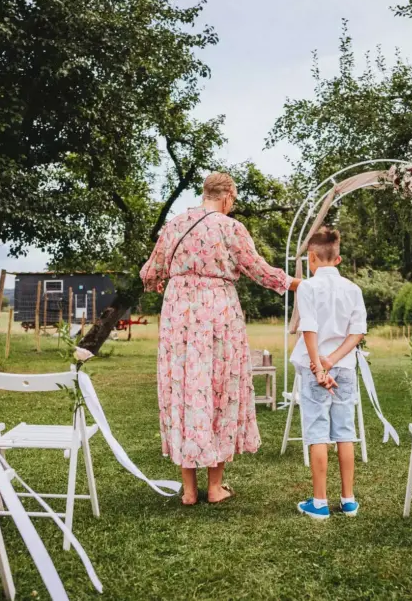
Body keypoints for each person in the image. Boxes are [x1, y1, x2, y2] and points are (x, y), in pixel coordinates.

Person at [140, 172, 300, 505]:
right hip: (217, 313)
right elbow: (258, 269)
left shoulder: (174, 225)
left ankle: (188, 490)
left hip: (178, 315)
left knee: (184, 390)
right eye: (234, 200)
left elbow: (150, 271)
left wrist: (163, 282)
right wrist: (294, 283)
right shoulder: (231, 228)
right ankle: (214, 488)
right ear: (227, 196)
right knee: (219, 388)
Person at [290, 226, 367, 519]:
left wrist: (319, 365)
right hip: (343, 366)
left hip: (315, 369)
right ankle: (348, 500)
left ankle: (320, 503)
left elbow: (308, 327)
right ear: (338, 259)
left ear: (311, 257)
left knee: (318, 432)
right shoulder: (353, 289)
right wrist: (332, 360)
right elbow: (357, 332)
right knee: (345, 432)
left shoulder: (307, 287)